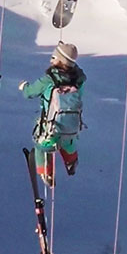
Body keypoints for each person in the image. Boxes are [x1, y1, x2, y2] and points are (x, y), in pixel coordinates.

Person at [19, 42, 86, 187]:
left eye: (54, 57)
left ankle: (46, 173)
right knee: (68, 142)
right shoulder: (78, 80)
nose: (51, 60)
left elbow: (30, 93)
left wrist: (24, 87)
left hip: (51, 124)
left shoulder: (49, 79)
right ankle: (71, 161)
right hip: (72, 125)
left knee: (42, 146)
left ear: (61, 60)